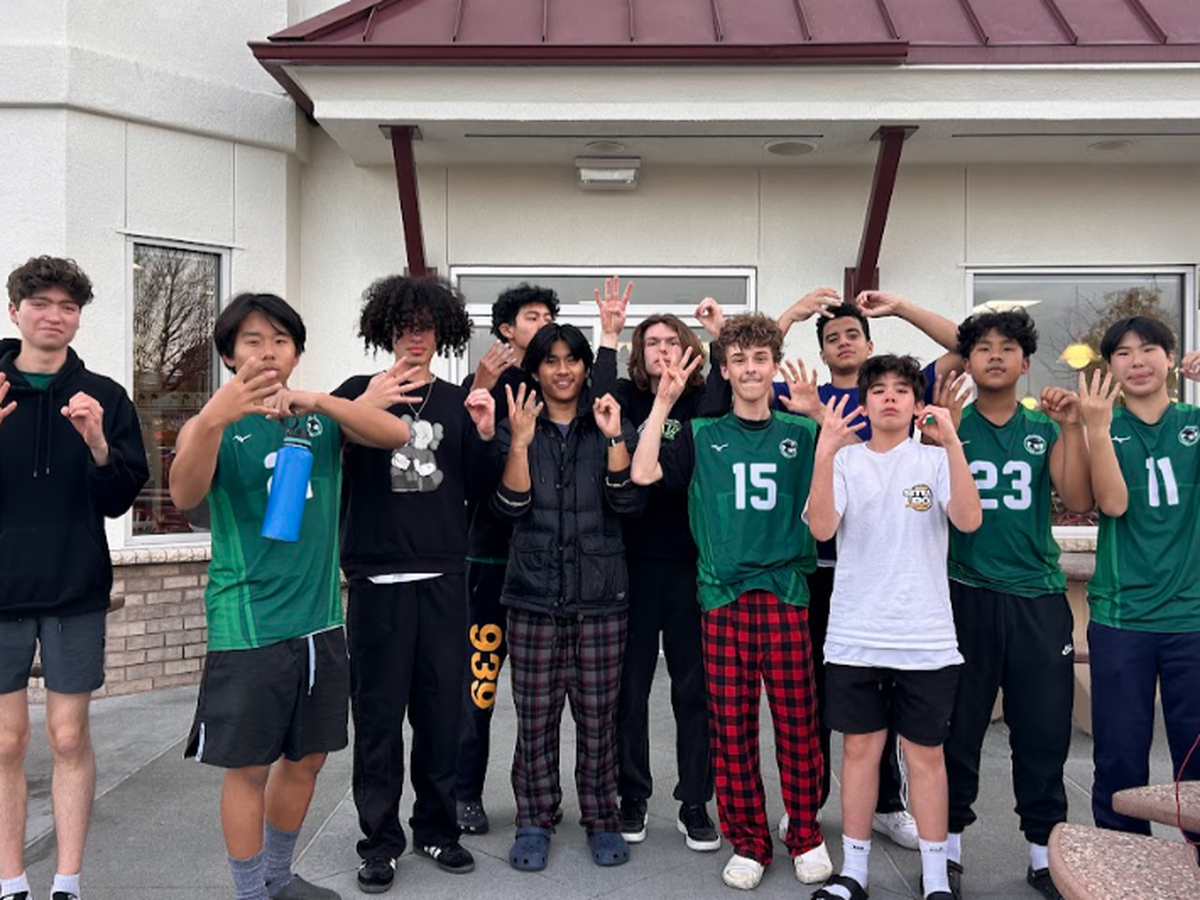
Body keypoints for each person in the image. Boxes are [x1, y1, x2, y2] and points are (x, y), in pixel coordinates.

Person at [170, 292, 414, 900]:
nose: (268, 352)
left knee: (308, 758)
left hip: (321, 623)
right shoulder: (213, 425)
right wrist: (213, 418)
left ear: (297, 352)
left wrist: (318, 400)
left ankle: (278, 878)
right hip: (249, 625)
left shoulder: (317, 420)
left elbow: (395, 432)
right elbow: (183, 493)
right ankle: (250, 892)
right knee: (249, 767)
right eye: (252, 341)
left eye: (281, 341)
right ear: (230, 354)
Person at [699, 290, 963, 851]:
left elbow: (963, 346)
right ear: (819, 351)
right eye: (832, 337)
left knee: (881, 692)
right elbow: (747, 363)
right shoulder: (803, 395)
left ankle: (887, 804)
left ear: (869, 344)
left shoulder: (890, 389)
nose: (843, 343)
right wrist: (790, 315)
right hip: (810, 570)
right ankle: (809, 809)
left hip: (877, 571)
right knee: (815, 700)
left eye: (852, 335)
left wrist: (900, 307)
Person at [632, 313, 832, 891]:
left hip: (786, 591)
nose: (749, 369)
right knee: (731, 726)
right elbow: (642, 471)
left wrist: (820, 416)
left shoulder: (803, 431)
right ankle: (748, 839)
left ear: (774, 366)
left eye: (759, 358)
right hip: (722, 594)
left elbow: (845, 488)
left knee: (798, 723)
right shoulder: (701, 433)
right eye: (738, 359)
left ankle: (805, 832)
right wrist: (663, 404)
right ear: (723, 368)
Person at [805, 354, 981, 900]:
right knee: (859, 752)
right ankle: (854, 872)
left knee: (925, 756)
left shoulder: (934, 460)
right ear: (863, 403)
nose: (888, 397)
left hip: (924, 637)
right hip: (856, 634)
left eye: (901, 389)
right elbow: (821, 528)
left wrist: (953, 444)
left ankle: (936, 878)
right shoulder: (846, 460)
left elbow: (969, 519)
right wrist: (824, 452)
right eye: (877, 389)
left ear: (916, 403)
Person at [0, 256, 149, 900]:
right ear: (15, 311)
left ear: (79, 317)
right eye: (41, 304)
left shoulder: (104, 396)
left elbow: (120, 499)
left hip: (74, 587)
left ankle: (68, 880)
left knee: (67, 735)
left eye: (68, 306)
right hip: (1, 592)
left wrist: (97, 445)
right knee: (6, 742)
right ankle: (10, 879)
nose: (54, 316)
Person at [331, 276, 483, 891]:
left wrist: (490, 431)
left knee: (443, 714)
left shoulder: (457, 402)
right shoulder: (354, 392)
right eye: (403, 326)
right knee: (377, 718)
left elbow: (483, 486)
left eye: (425, 326)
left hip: (444, 576)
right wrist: (367, 403)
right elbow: (325, 444)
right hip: (376, 578)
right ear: (385, 331)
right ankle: (379, 842)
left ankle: (437, 829)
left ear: (442, 333)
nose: (414, 336)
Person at [483, 323, 644, 872]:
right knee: (535, 718)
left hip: (601, 595)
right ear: (536, 370)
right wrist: (520, 441)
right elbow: (508, 507)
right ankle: (535, 818)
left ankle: (601, 816)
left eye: (571, 359)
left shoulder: (608, 422)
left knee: (599, 719)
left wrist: (616, 438)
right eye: (550, 360)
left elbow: (628, 504)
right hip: (533, 595)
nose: (562, 370)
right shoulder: (516, 425)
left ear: (585, 367)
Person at [943, 310, 1092, 900]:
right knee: (956, 730)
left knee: (1042, 732)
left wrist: (1073, 427)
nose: (995, 356)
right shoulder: (950, 423)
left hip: (1036, 595)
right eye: (983, 347)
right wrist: (941, 433)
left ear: (1026, 363)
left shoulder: (1044, 428)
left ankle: (1043, 856)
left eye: (1007, 348)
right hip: (964, 591)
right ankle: (945, 851)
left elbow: (1077, 497)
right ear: (968, 361)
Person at [588, 278, 719, 851]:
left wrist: (720, 334)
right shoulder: (628, 396)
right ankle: (632, 795)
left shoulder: (702, 402)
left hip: (692, 566)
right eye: (651, 343)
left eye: (672, 341)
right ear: (638, 355)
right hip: (634, 564)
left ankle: (694, 802)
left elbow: (734, 382)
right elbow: (597, 398)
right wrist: (609, 335)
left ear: (689, 349)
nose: (662, 350)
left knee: (694, 691)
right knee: (630, 690)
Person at [1081, 316, 1200, 839]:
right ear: (1110, 367)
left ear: (1170, 359)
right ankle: (1121, 859)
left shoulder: (1194, 422)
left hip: (1191, 617)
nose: (1137, 361)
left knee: (1195, 756)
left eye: (1148, 348)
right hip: (1122, 616)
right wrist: (1095, 428)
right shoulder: (1102, 426)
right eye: (1123, 353)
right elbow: (1112, 504)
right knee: (1119, 754)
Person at [454, 284, 558, 836]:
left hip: (546, 564)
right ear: (506, 330)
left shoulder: (561, 387)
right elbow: (468, 474)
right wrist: (481, 386)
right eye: (532, 316)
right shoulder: (484, 387)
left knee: (542, 696)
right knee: (480, 687)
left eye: (548, 316)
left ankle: (539, 796)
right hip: (491, 562)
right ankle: (464, 793)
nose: (543, 323)